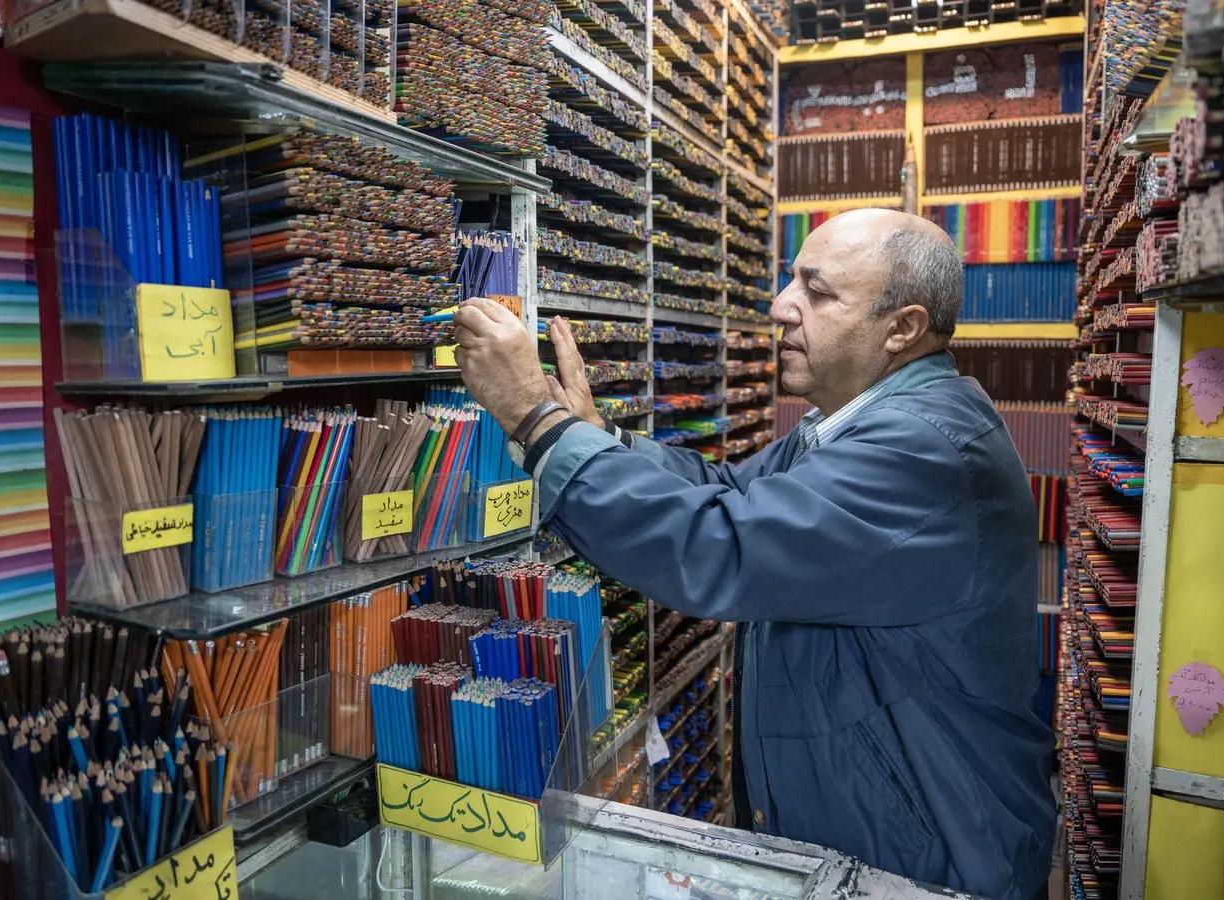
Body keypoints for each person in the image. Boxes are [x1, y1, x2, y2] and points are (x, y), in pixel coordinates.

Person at [452, 209, 1055, 900]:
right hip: (879, 838)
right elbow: (729, 491)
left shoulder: (922, 451)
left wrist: (535, 419)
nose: (779, 307)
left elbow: (721, 545)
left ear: (903, 328)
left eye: (816, 292)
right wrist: (598, 439)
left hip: (932, 861)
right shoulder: (853, 424)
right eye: (790, 281)